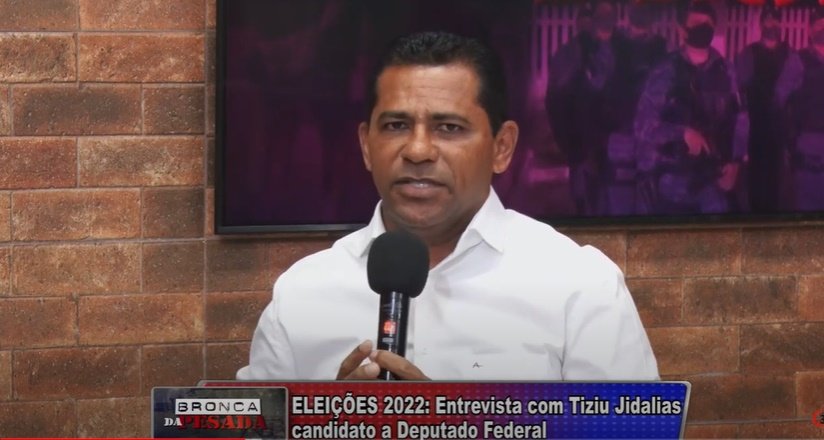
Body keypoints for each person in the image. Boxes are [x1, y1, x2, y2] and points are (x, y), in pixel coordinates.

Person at [237, 31, 658, 381]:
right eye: (396, 125)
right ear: (366, 145)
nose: (418, 150)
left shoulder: (579, 285)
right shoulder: (302, 293)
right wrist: (328, 423)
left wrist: (453, 424)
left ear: (502, 147)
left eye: (449, 127)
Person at [634, 0, 749, 215]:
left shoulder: (726, 70)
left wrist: (736, 163)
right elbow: (643, 127)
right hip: (673, 183)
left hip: (714, 181)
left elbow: (740, 119)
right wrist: (682, 133)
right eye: (696, 23)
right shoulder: (664, 71)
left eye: (707, 24)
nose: (703, 28)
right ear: (682, 30)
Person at [545, 1, 619, 216]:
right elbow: (555, 100)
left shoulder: (606, 51)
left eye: (591, 20)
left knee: (603, 195)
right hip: (578, 140)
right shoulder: (567, 55)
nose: (587, 25)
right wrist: (565, 140)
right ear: (578, 23)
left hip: (602, 139)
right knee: (582, 196)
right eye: (583, 20)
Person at [601, 1, 667, 215]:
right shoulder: (617, 46)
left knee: (639, 197)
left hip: (642, 133)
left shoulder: (657, 48)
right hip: (628, 132)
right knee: (627, 198)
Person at [736, 4, 792, 213]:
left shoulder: (789, 54)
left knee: (778, 185)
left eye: (776, 19)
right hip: (757, 128)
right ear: (761, 24)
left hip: (781, 129)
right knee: (757, 184)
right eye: (768, 19)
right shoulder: (749, 53)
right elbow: (740, 92)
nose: (772, 23)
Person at [775, 6, 824, 211]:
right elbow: (779, 98)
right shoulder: (798, 61)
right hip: (809, 149)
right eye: (818, 25)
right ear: (810, 30)